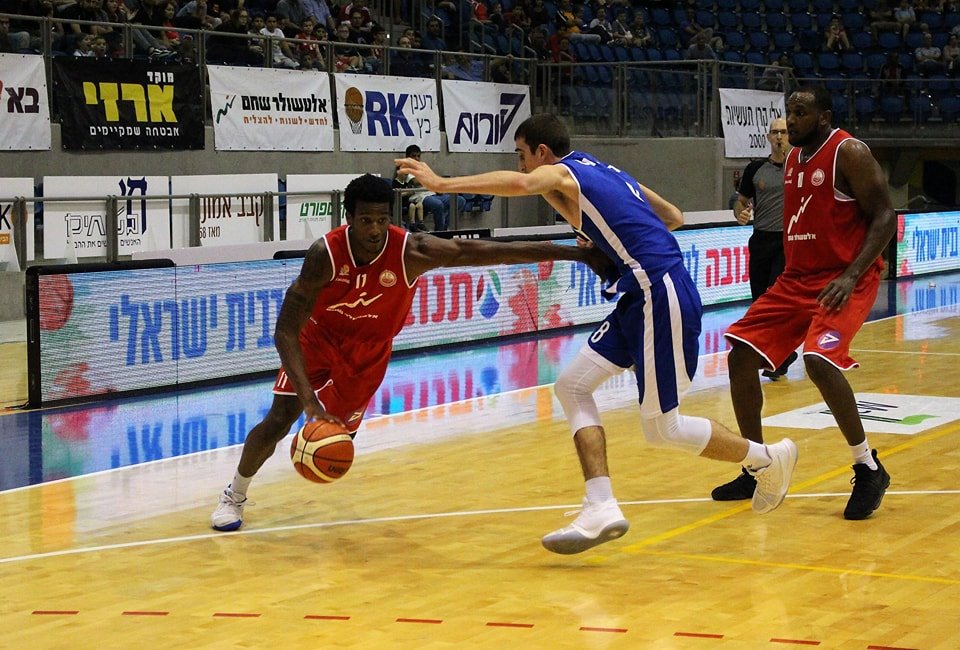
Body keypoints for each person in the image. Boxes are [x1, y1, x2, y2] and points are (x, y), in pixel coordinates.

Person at [397, 114, 799, 555]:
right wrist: (614, 237)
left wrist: (442, 183)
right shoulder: (605, 171)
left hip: (658, 291)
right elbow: (673, 216)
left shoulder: (563, 171)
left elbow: (524, 183)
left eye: (522, 154)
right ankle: (601, 505)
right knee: (571, 386)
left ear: (542, 153)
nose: (521, 163)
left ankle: (768, 458)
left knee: (663, 428)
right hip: (639, 293)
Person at [211, 174, 610, 532]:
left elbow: (489, 251)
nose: (375, 229)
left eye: (382, 220)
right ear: (348, 218)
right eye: (365, 220)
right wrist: (310, 402)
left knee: (337, 438)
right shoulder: (325, 254)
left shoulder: (411, 251)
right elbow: (285, 331)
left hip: (368, 352)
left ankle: (312, 444)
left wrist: (576, 253)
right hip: (318, 339)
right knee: (279, 419)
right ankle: (234, 494)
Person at [714, 86, 895, 520]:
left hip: (843, 279)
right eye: (788, 113)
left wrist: (851, 275)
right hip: (796, 280)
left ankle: (868, 467)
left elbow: (886, 215)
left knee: (818, 360)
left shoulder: (849, 152)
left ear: (824, 117)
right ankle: (758, 464)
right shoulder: (793, 158)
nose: (790, 121)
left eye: (799, 113)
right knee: (740, 356)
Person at [732, 117, 798, 382]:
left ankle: (779, 356)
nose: (780, 136)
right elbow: (741, 200)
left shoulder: (801, 167)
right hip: (760, 240)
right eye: (775, 132)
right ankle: (782, 355)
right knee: (759, 302)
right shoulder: (755, 169)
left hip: (788, 242)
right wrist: (740, 213)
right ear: (768, 137)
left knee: (775, 299)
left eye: (784, 132)